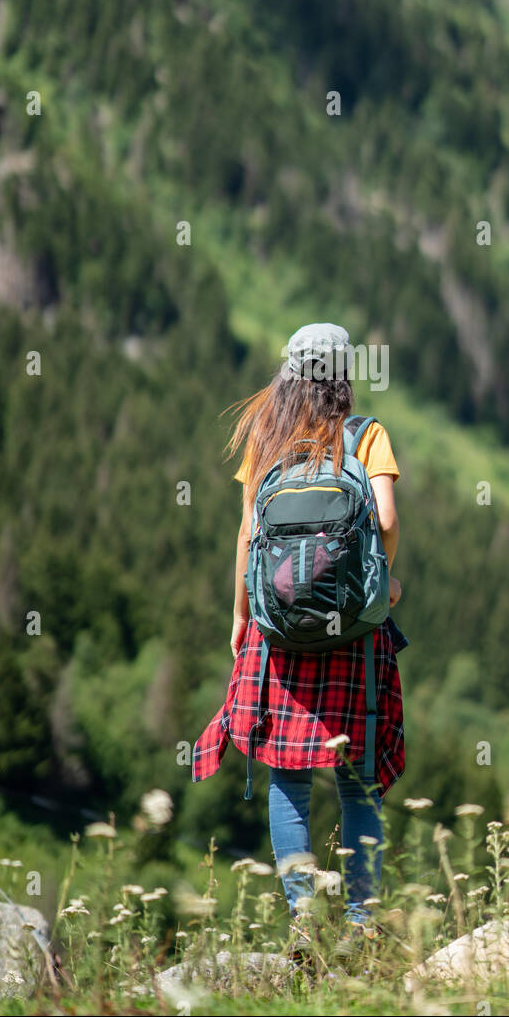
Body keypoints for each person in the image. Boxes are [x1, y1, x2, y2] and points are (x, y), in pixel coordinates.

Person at [192, 323, 407, 954]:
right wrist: (384, 584)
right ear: (344, 376)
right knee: (358, 782)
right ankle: (363, 928)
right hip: (354, 637)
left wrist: (240, 616)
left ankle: (305, 922)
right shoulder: (365, 435)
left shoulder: (266, 442)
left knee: (289, 781)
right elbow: (387, 519)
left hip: (277, 636)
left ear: (288, 375)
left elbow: (245, 536)